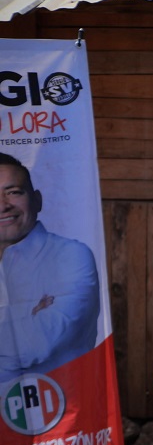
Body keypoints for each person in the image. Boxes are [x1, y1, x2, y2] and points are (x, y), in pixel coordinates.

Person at [0, 152, 100, 383]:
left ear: (37, 200)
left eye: (14, 192)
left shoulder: (71, 255)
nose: (3, 205)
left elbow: (41, 342)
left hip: (63, 409)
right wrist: (28, 314)